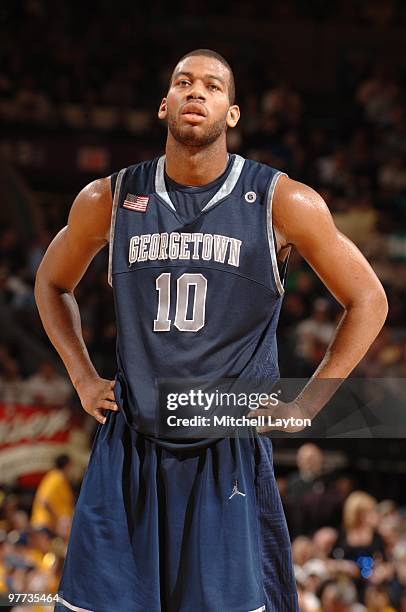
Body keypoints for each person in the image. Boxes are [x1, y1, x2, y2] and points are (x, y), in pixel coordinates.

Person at [34, 49, 387, 611]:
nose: (196, 92)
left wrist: (309, 402)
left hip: (226, 445)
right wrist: (80, 375)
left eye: (212, 86)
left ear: (233, 113)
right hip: (132, 444)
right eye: (183, 82)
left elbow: (368, 298)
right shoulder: (109, 198)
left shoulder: (283, 201)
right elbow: (51, 284)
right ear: (163, 104)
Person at [31, 455, 74, 534]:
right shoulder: (56, 478)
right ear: (67, 465)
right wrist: (58, 520)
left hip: (51, 527)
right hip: (45, 526)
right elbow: (44, 501)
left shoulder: (58, 478)